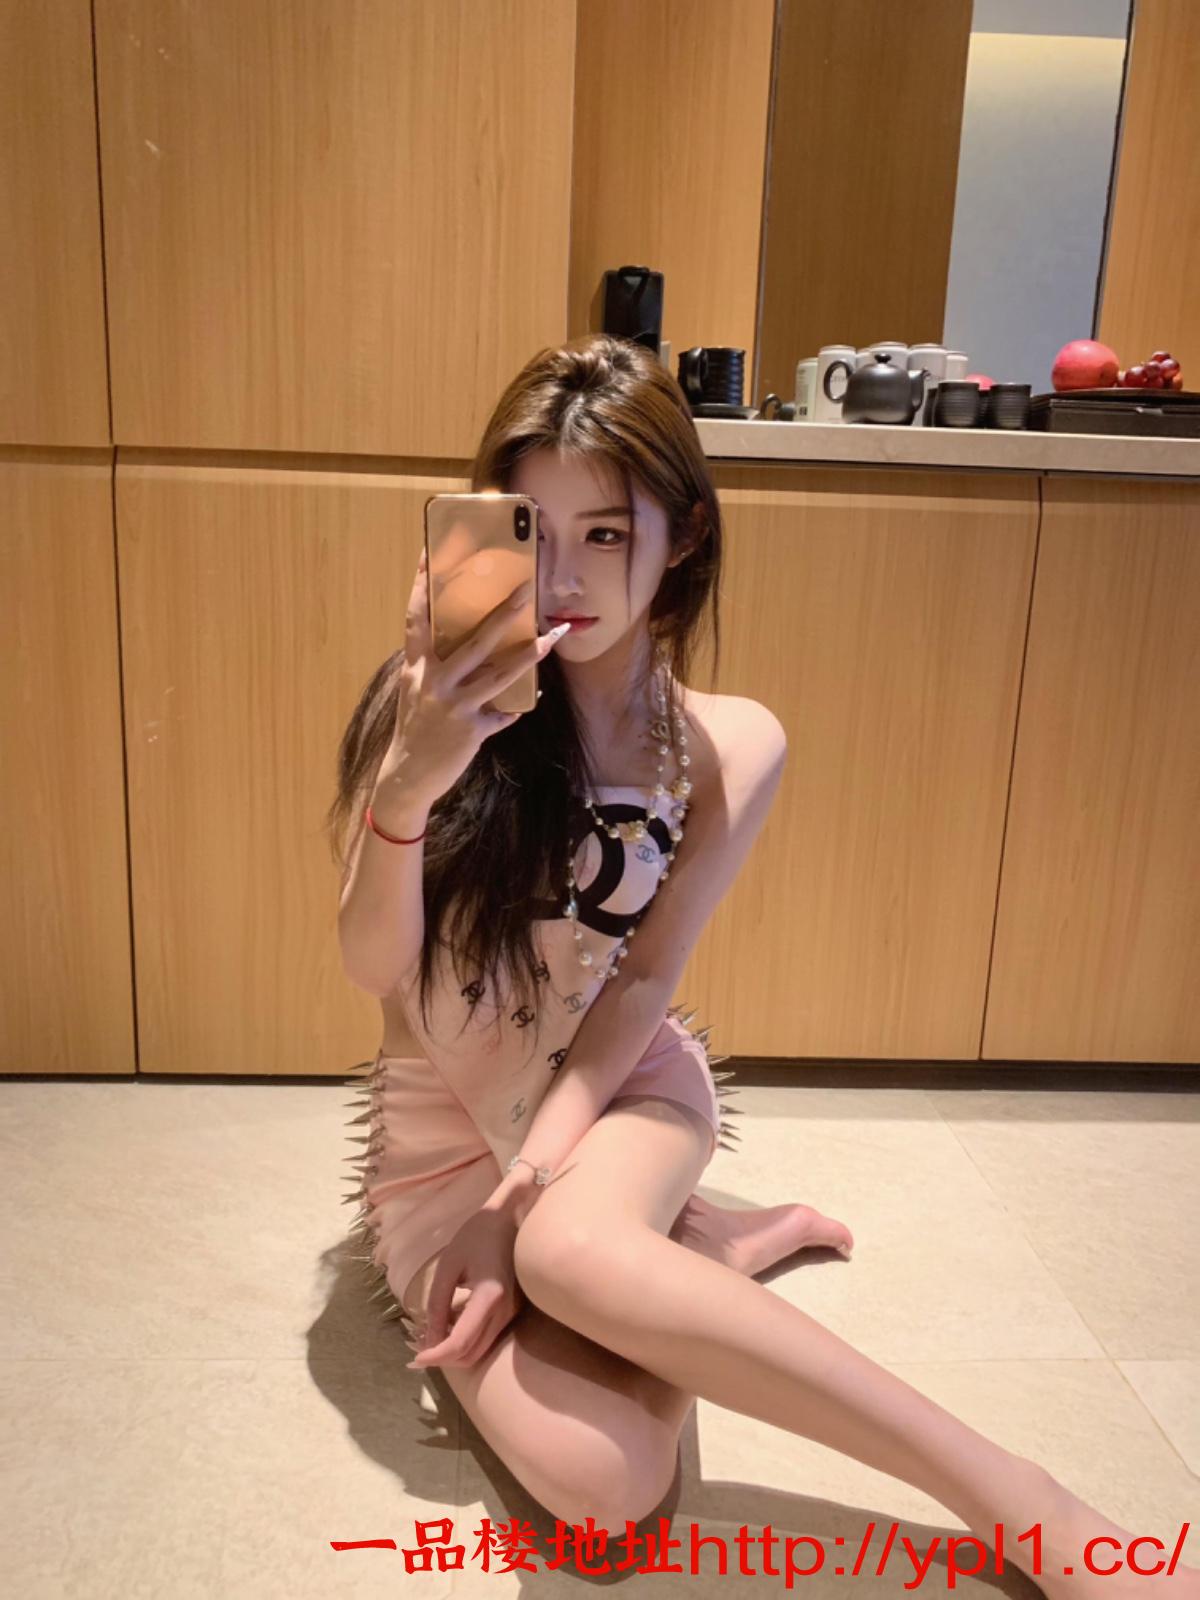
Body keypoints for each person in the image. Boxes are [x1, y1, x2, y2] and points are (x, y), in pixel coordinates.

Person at [328, 334, 1198, 1597]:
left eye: (607, 533)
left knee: (565, 1252)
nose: (563, 577)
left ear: (682, 537)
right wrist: (409, 782)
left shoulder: (730, 746)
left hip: (618, 1086)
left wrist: (522, 1201)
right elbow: (374, 969)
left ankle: (1021, 1498)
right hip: (443, 1131)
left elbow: (639, 985)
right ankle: (687, 1253)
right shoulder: (430, 702)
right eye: (533, 529)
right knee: (606, 1487)